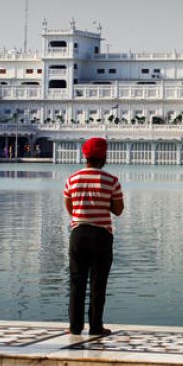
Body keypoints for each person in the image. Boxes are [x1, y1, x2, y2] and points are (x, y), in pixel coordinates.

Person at [63, 137, 124, 336]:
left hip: (78, 233)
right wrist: (102, 203)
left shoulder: (72, 179)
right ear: (104, 157)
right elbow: (118, 210)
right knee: (98, 282)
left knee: (76, 281)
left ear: (85, 156)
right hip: (101, 235)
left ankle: (75, 326)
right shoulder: (111, 181)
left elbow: (70, 208)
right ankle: (96, 326)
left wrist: (84, 207)